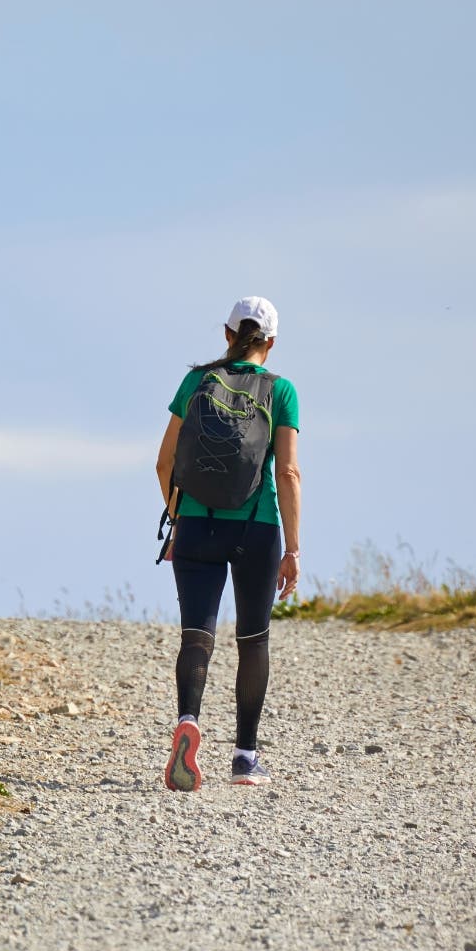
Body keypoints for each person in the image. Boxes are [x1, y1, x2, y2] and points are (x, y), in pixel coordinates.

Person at [153, 296, 301, 790]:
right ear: (271, 343)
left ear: (227, 333)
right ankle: (244, 757)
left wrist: (180, 519)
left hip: (196, 522)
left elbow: (163, 463)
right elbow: (288, 470)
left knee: (197, 634)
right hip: (256, 527)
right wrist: (293, 549)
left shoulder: (197, 381)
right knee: (252, 639)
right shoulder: (280, 391)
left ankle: (188, 722)